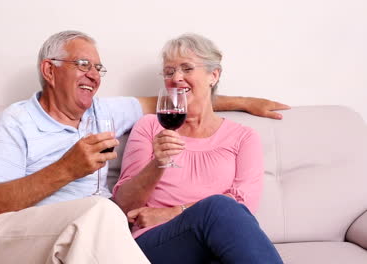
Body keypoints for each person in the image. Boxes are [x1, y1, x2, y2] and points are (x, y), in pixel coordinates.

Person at [0, 30, 289, 263]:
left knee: (111, 215)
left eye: (98, 68)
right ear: (49, 70)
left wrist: (244, 101)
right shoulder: (18, 121)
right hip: (37, 234)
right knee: (103, 211)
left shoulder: (105, 111)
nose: (95, 75)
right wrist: (67, 169)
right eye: (83, 65)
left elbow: (177, 100)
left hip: (101, 238)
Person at [113, 33, 284, 263]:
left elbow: (245, 205)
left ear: (213, 75)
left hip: (216, 243)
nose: (177, 78)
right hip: (155, 243)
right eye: (169, 71)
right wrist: (158, 163)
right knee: (220, 206)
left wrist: (173, 212)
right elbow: (123, 205)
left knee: (222, 216)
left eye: (186, 68)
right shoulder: (150, 126)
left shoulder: (243, 137)